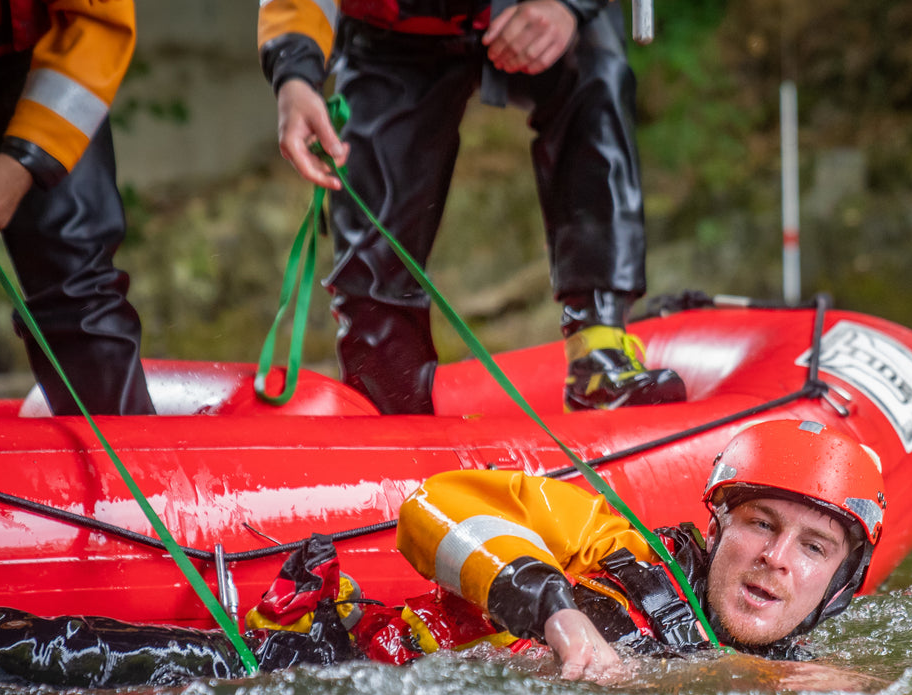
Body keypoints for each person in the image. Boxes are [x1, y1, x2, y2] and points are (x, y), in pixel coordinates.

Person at [0, 420, 886, 692]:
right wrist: (558, 612)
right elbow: (437, 508)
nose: (773, 561)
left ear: (836, 585)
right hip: (316, 673)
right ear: (716, 526)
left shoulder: (789, 682)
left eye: (810, 547)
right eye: (758, 524)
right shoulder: (617, 546)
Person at [257, 0, 686, 414]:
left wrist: (568, 6)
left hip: (537, 11)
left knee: (593, 67)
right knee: (374, 230)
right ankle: (385, 392)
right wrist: (294, 77)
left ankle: (600, 350)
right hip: (392, 35)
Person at [0, 0, 154, 415]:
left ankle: (128, 470)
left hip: (42, 65)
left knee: (77, 293)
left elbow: (98, 22)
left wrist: (29, 157)